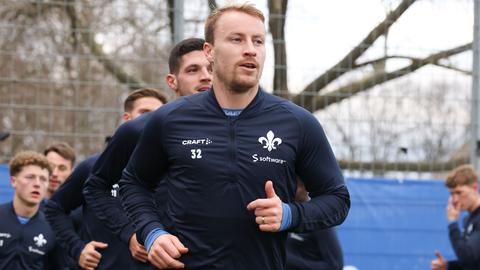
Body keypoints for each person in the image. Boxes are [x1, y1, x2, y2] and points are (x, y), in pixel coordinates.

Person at [119, 3, 350, 269]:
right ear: (210, 51)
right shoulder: (169, 119)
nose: (250, 49)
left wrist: (289, 214)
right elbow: (134, 183)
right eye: (237, 39)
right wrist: (152, 233)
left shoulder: (298, 123)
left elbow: (337, 199)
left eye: (258, 41)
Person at [83, 37, 212, 262]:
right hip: (164, 260)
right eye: (193, 70)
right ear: (172, 81)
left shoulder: (242, 127)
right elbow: (96, 187)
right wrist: (132, 234)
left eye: (211, 68)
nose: (205, 76)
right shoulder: (139, 129)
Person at [45, 88, 166, 270]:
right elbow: (55, 208)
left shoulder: (172, 169)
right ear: (127, 119)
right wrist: (78, 249)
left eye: (157, 116)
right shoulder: (93, 168)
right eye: (144, 114)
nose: (149, 121)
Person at [0, 151, 56, 269]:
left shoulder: (52, 228)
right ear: (13, 181)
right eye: (30, 177)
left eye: (43, 179)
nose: (37, 184)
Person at [286, 178, 344, 270]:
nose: (295, 188)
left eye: (300, 185)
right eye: (292, 183)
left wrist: (286, 259)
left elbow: (335, 266)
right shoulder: (283, 216)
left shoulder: (318, 218)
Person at [431, 164, 480, 270]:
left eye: (459, 192)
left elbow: (469, 260)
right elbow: (474, 263)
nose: (455, 199)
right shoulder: (468, 219)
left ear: (475, 188)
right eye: (452, 194)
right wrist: (447, 266)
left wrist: (453, 223)